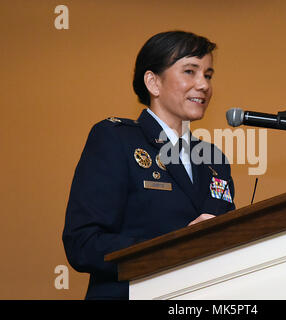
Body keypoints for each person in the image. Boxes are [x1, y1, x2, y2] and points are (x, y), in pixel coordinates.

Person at [62, 31, 236, 300]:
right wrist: (175, 247)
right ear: (153, 82)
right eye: (190, 71)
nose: (203, 85)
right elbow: (83, 243)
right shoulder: (116, 139)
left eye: (208, 75)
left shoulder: (214, 158)